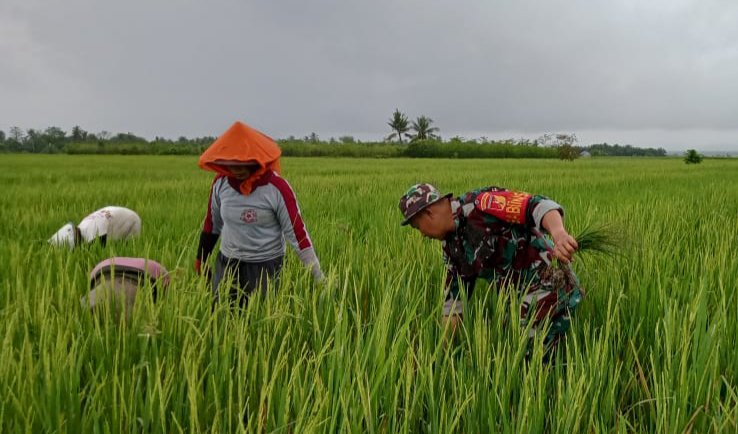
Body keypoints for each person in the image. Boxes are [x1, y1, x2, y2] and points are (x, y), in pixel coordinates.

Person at [398, 183, 583, 354]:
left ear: (428, 213)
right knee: (510, 347)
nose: (422, 235)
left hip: (549, 282)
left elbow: (537, 205)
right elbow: (453, 308)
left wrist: (559, 234)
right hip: (519, 299)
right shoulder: (452, 249)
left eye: (418, 227)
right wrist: (439, 355)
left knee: (525, 353)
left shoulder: (482, 204)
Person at [196, 121, 324, 308]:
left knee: (261, 319)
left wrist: (319, 278)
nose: (236, 169)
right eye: (231, 164)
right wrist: (201, 258)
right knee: (221, 318)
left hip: (265, 268)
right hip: (227, 265)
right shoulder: (220, 184)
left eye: (242, 163)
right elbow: (212, 224)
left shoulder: (277, 188)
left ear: (256, 160)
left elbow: (298, 235)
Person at [82, 257, 170, 322]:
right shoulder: (158, 268)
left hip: (103, 281)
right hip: (137, 286)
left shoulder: (105, 262)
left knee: (84, 312)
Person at [48, 206, 141, 248]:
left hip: (132, 220)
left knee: (126, 250)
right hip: (118, 213)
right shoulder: (83, 225)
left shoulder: (95, 235)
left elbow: (102, 253)